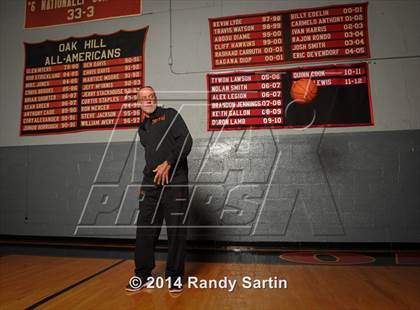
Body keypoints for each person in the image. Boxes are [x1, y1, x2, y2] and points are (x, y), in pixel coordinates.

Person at [125, 86, 193, 294]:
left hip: (175, 181)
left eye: (151, 97)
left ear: (155, 98)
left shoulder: (170, 115)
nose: (148, 100)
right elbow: (151, 155)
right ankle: (142, 275)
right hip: (151, 183)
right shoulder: (142, 128)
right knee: (145, 229)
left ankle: (174, 277)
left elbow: (186, 141)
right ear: (138, 103)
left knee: (176, 230)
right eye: (143, 98)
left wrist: (169, 163)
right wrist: (147, 182)